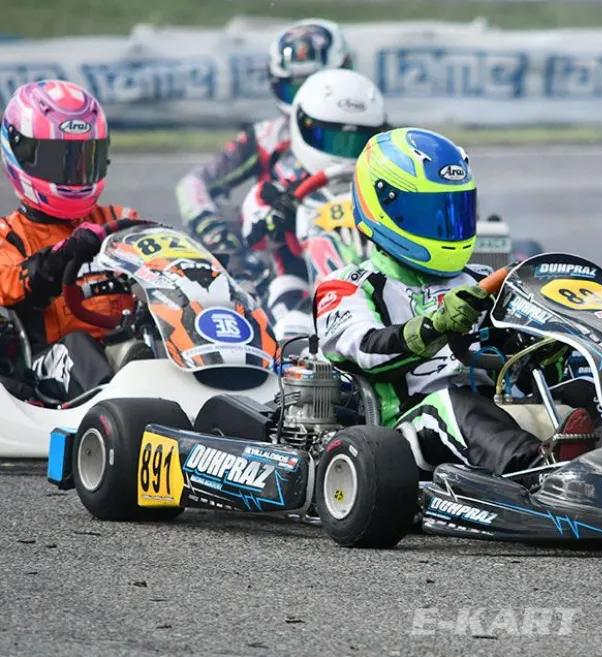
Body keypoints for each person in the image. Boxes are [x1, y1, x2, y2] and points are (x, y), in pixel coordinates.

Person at [314, 127, 602, 476]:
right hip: (402, 433)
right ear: (383, 205)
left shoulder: (480, 278)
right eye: (429, 214)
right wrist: (436, 325)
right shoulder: (346, 286)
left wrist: (544, 346)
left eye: (452, 211)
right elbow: (368, 351)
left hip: (493, 412)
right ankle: (540, 472)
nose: (445, 226)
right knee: (455, 403)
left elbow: (513, 366)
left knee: (586, 388)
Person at [0, 80, 139, 403]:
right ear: (21, 155)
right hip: (47, 365)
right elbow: (9, 282)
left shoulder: (116, 219)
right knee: (79, 345)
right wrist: (61, 256)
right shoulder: (11, 235)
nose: (73, 174)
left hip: (124, 350)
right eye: (58, 161)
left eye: (82, 160)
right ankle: (118, 409)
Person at [175, 19, 352, 270]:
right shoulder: (265, 136)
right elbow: (192, 184)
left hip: (355, 251)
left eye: (315, 85)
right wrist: (213, 229)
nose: (304, 99)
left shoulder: (368, 128)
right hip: (282, 264)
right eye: (294, 88)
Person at [241, 68, 389, 339]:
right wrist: (276, 217)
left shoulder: (385, 187)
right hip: (303, 289)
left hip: (378, 282)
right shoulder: (277, 188)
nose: (344, 152)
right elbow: (254, 238)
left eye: (355, 141)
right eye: (333, 139)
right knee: (288, 308)